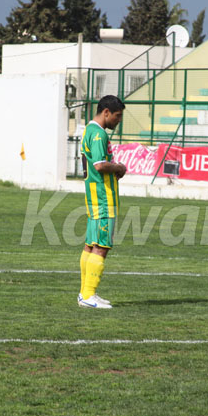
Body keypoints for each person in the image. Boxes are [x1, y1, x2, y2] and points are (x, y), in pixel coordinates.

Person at [77, 95, 127, 309]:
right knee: (101, 246)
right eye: (117, 116)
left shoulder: (88, 130)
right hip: (103, 198)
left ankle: (85, 294)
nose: (118, 120)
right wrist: (118, 168)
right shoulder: (98, 134)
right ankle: (88, 295)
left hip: (93, 196)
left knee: (90, 244)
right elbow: (99, 165)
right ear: (106, 112)